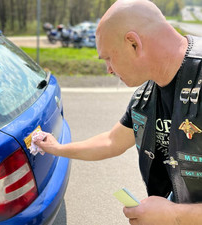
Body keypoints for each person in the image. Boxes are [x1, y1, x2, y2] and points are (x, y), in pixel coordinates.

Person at [34, 0, 202, 224]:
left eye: (109, 58)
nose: (109, 69)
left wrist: (174, 215)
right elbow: (111, 141)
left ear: (133, 43)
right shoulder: (146, 96)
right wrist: (57, 148)